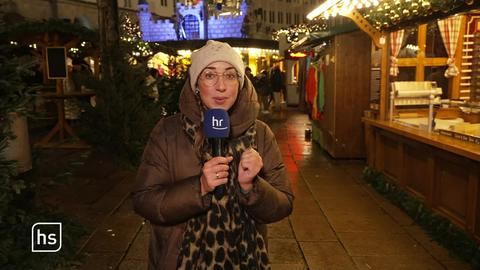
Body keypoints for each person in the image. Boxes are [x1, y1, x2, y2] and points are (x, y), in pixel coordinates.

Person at [133, 40, 293, 270]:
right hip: (180, 261)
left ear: (240, 83)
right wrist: (199, 187)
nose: (221, 86)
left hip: (245, 259)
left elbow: (284, 204)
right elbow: (144, 201)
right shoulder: (168, 132)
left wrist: (252, 187)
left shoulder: (260, 133)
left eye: (230, 75)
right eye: (209, 75)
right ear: (196, 84)